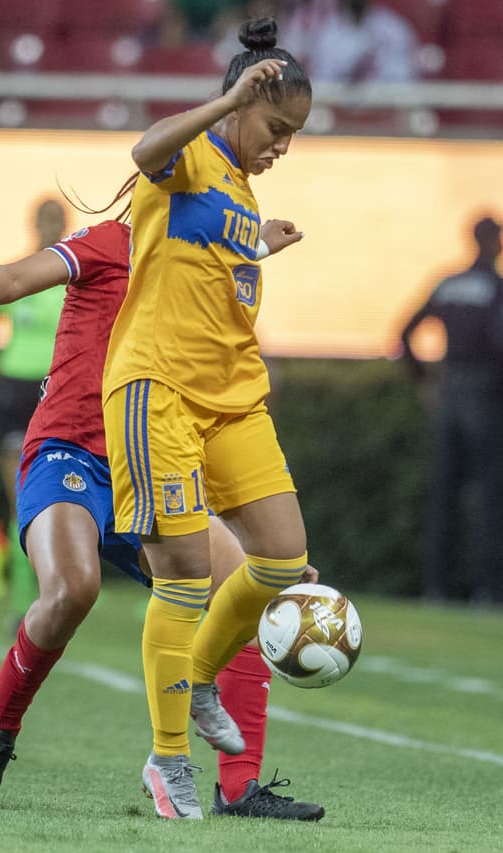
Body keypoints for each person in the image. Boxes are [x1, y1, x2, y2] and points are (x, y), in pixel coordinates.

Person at [0, 191, 323, 821]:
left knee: (244, 595)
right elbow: (12, 279)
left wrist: (257, 247)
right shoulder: (110, 244)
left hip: (147, 458)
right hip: (70, 450)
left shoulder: (204, 261)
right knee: (72, 590)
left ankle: (239, 787)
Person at [100, 18, 316, 819]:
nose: (281, 146)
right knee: (184, 574)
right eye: (275, 128)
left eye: (292, 135)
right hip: (159, 389)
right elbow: (144, 151)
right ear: (240, 104)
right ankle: (167, 762)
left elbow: (209, 262)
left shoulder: (239, 190)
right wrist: (224, 99)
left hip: (234, 396)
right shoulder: (192, 152)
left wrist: (257, 240)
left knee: (282, 562)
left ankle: (192, 679)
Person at [399, 216, 503, 604]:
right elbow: (502, 346)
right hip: (486, 401)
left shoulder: (448, 283)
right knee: (489, 497)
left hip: (450, 396)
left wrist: (426, 382)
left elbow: (404, 334)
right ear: (489, 241)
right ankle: (487, 590)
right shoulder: (501, 288)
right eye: (500, 238)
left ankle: (435, 587)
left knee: (444, 497)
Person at [0, 198, 67, 626]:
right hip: (15, 397)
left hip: (60, 395)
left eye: (58, 221)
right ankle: (23, 603)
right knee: (24, 501)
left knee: (60, 502)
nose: (51, 228)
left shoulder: (72, 276)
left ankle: (54, 593)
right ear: (34, 223)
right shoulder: (16, 274)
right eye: (46, 220)